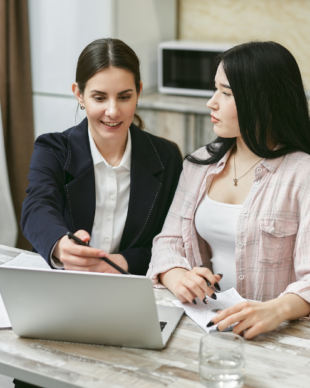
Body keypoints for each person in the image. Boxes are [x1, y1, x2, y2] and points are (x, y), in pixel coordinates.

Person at [147, 41, 310, 339]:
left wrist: (278, 309)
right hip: (202, 327)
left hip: (275, 337)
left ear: (262, 100)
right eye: (215, 89)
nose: (212, 102)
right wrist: (179, 277)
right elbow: (167, 242)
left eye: (226, 93)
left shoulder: (303, 174)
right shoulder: (199, 164)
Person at [21, 38, 183, 276]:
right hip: (61, 282)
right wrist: (61, 245)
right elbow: (36, 208)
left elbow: (172, 239)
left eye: (124, 97)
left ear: (138, 91)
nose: (113, 111)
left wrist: (120, 262)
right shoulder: (53, 149)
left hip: (131, 286)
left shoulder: (166, 156)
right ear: (79, 94)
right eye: (99, 97)